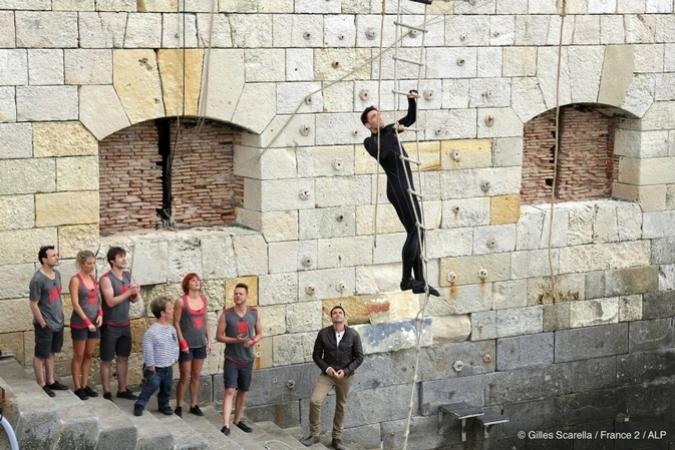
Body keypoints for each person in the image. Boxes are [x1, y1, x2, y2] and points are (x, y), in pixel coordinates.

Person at [361, 91, 440, 297]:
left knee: (418, 231)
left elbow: (410, 119)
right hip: (397, 188)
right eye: (373, 117)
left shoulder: (388, 130)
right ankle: (406, 280)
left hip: (407, 186)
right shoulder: (370, 142)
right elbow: (384, 152)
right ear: (368, 125)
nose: (379, 117)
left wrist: (411, 100)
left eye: (379, 114)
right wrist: (391, 130)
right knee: (415, 230)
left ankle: (420, 281)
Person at [301, 306, 364, 450]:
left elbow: (359, 357)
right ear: (331, 318)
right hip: (327, 375)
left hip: (344, 376)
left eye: (340, 313)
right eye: (334, 313)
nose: (337, 315)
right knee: (315, 401)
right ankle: (315, 435)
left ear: (344, 316)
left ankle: (337, 439)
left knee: (341, 406)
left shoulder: (353, 335)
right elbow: (316, 355)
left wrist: (346, 371)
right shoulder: (323, 334)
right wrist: (327, 368)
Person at [216, 283, 262, 436]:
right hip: (232, 358)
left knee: (243, 390)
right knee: (230, 390)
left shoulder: (254, 313)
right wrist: (235, 340)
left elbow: (260, 333)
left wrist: (253, 341)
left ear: (246, 295)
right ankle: (225, 424)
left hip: (248, 359)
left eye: (241, 294)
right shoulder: (226, 314)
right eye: (235, 294)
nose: (237, 296)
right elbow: (219, 336)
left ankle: (237, 419)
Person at [99, 246, 141, 401]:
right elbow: (110, 302)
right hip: (110, 325)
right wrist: (129, 292)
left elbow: (134, 299)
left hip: (125, 324)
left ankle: (122, 389)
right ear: (112, 260)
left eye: (124, 256)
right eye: (120, 257)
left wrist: (136, 292)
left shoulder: (127, 275)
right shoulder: (106, 279)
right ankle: (107, 391)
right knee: (107, 359)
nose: (124, 259)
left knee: (124, 357)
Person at [28, 245, 69, 397]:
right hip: (45, 324)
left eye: (56, 255)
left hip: (58, 321)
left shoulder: (57, 274)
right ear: (44, 259)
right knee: (41, 354)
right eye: (53, 255)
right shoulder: (37, 279)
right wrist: (42, 323)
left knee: (52, 352)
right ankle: (41, 383)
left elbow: (57, 297)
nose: (57, 257)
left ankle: (51, 380)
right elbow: (33, 303)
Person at [133, 296, 179, 416]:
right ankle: (140, 403)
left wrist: (175, 357)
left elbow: (175, 344)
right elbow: (148, 349)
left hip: (168, 366)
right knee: (152, 385)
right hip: (155, 368)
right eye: (170, 309)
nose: (173, 310)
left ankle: (164, 405)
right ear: (163, 313)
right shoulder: (152, 332)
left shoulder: (172, 329)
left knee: (167, 387)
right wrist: (150, 364)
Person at [174, 273, 211, 417]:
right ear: (187, 284)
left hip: (200, 343)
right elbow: (176, 322)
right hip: (186, 345)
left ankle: (194, 404)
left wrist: (209, 340)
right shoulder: (181, 301)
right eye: (193, 280)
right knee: (185, 377)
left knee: (196, 375)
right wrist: (182, 342)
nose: (196, 282)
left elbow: (206, 320)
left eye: (197, 280)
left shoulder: (203, 299)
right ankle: (178, 405)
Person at [69, 250, 103, 400]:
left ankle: (85, 384)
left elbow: (98, 300)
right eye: (89, 263)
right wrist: (87, 321)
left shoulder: (93, 279)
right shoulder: (75, 280)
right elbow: (75, 304)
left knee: (89, 355)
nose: (92, 266)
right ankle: (77, 387)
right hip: (80, 323)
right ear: (81, 264)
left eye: (93, 263)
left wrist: (100, 314)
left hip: (94, 323)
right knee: (79, 355)